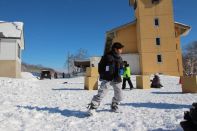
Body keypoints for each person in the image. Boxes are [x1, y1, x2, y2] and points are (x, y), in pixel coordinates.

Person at [87, 42, 124, 114]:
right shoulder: (107, 56)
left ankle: (114, 105)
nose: (121, 50)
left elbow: (122, 66)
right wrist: (102, 75)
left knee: (119, 95)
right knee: (101, 93)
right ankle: (92, 107)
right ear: (116, 49)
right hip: (108, 78)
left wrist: (122, 70)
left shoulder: (120, 58)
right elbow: (100, 66)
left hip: (117, 78)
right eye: (120, 49)